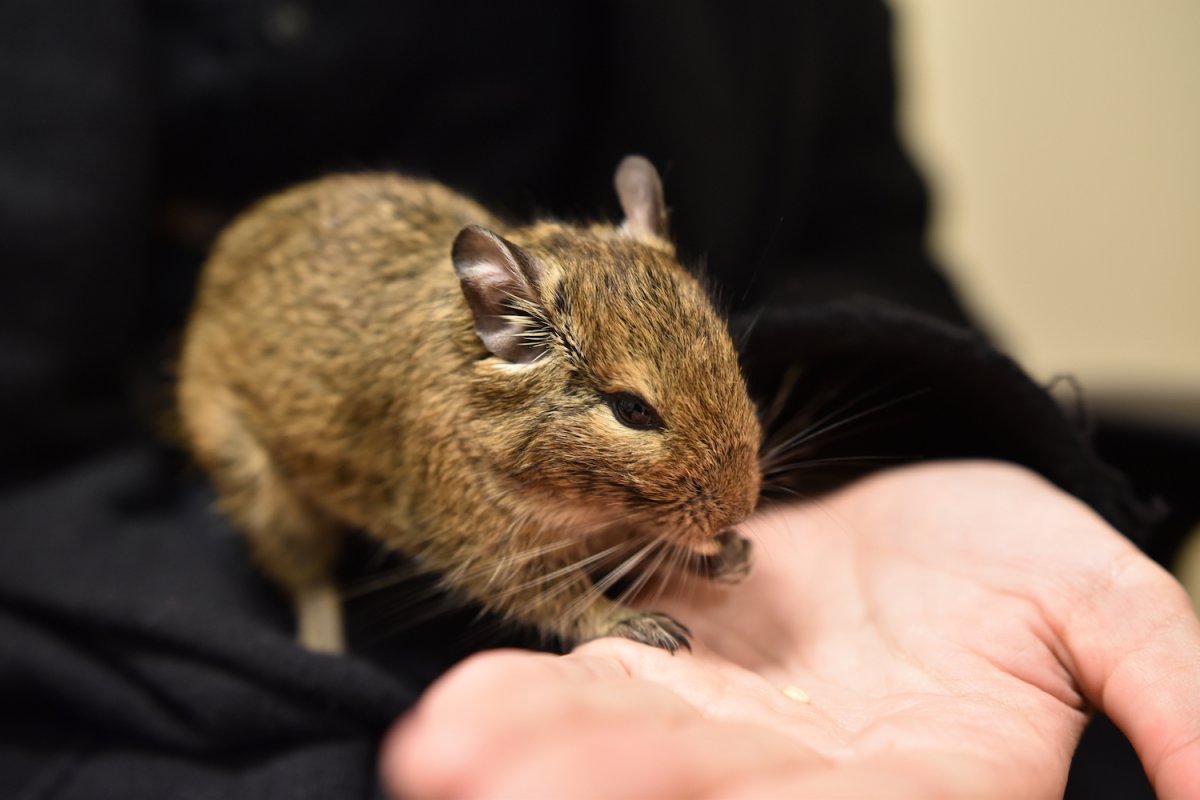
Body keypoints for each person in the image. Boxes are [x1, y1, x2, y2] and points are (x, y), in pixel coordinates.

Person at [0, 1, 1194, 797]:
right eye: (636, 414)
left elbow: (855, 220)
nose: (738, 478)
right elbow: (499, 557)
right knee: (297, 549)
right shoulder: (467, 419)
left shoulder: (656, 268)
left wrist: (906, 447)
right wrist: (597, 611)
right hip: (101, 603)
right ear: (506, 329)